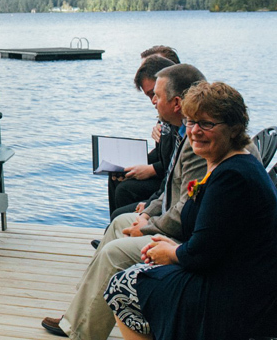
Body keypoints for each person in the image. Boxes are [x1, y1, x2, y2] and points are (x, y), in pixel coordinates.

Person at [41, 63, 208, 338]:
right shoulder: (180, 132)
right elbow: (170, 188)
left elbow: (185, 208)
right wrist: (146, 214)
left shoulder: (195, 140)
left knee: (114, 253)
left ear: (176, 103)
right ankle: (77, 314)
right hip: (169, 221)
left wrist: (148, 228)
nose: (153, 102)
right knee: (120, 221)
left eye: (157, 96)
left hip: (180, 237)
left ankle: (81, 332)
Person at [104, 81, 277, 340]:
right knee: (138, 279)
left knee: (122, 287)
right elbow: (206, 231)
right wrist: (170, 244)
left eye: (206, 123)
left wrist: (172, 252)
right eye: (190, 121)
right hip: (230, 275)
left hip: (238, 293)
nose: (195, 131)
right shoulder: (222, 166)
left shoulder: (232, 178)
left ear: (234, 128)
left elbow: (202, 253)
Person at [107, 54, 178, 220]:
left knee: (126, 190)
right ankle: (113, 231)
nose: (153, 101)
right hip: (166, 179)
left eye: (155, 94)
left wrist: (151, 170)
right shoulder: (167, 118)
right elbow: (163, 154)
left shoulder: (179, 120)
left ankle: (121, 232)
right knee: (116, 176)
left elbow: (173, 168)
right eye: (150, 96)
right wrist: (132, 165)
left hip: (168, 184)